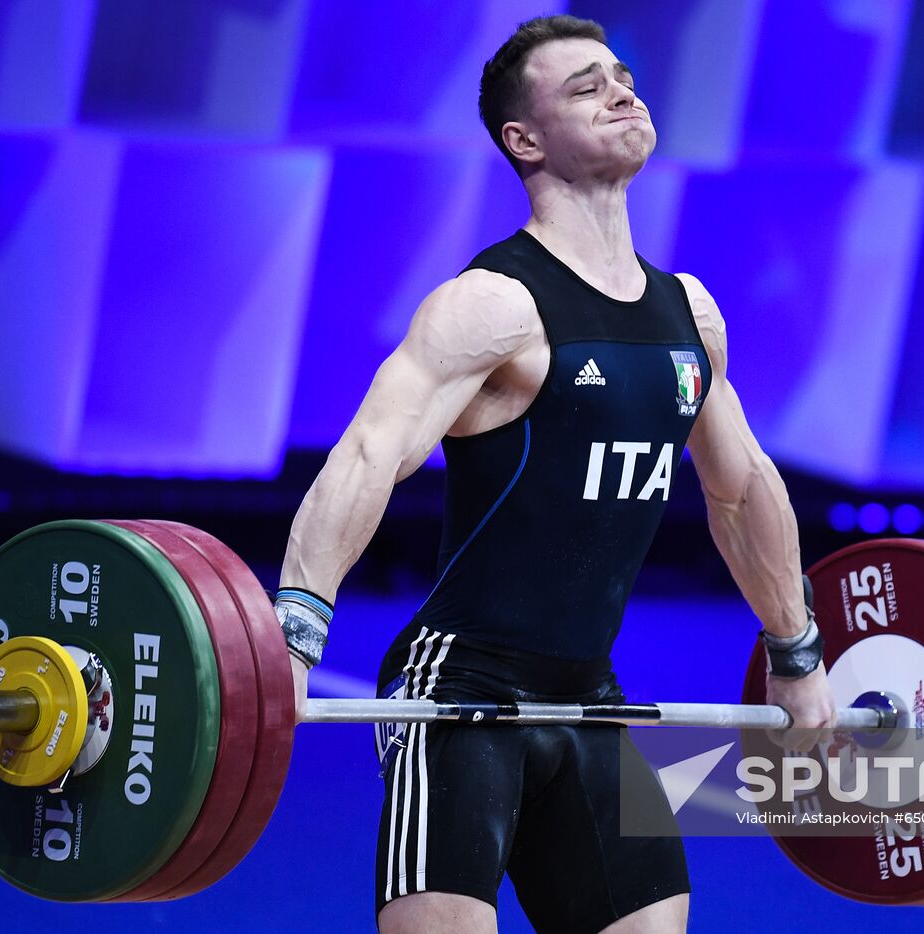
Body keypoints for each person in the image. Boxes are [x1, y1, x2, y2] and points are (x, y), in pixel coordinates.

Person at [272, 15, 836, 934]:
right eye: (586, 86)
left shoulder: (689, 314)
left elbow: (741, 491)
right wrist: (291, 640)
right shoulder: (491, 305)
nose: (622, 91)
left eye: (621, 74)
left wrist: (796, 654)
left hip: (591, 696)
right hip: (457, 694)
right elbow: (370, 456)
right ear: (523, 140)